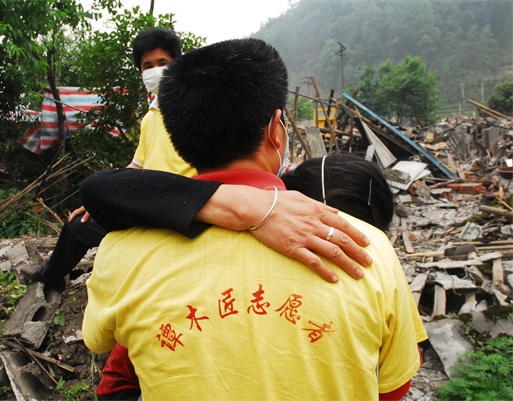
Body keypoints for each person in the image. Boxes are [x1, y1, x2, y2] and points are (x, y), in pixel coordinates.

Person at [82, 38, 426, 400]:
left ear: (177, 135)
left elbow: (100, 343)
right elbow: (392, 387)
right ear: (276, 128)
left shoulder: (121, 252)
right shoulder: (366, 246)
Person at [21, 27, 374, 292]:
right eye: (147, 65)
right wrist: (106, 198)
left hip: (197, 205)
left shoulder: (199, 118)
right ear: (276, 130)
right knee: (78, 225)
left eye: (163, 63)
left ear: (180, 67)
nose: (155, 70)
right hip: (146, 200)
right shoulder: (151, 119)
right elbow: (135, 168)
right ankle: (52, 278)